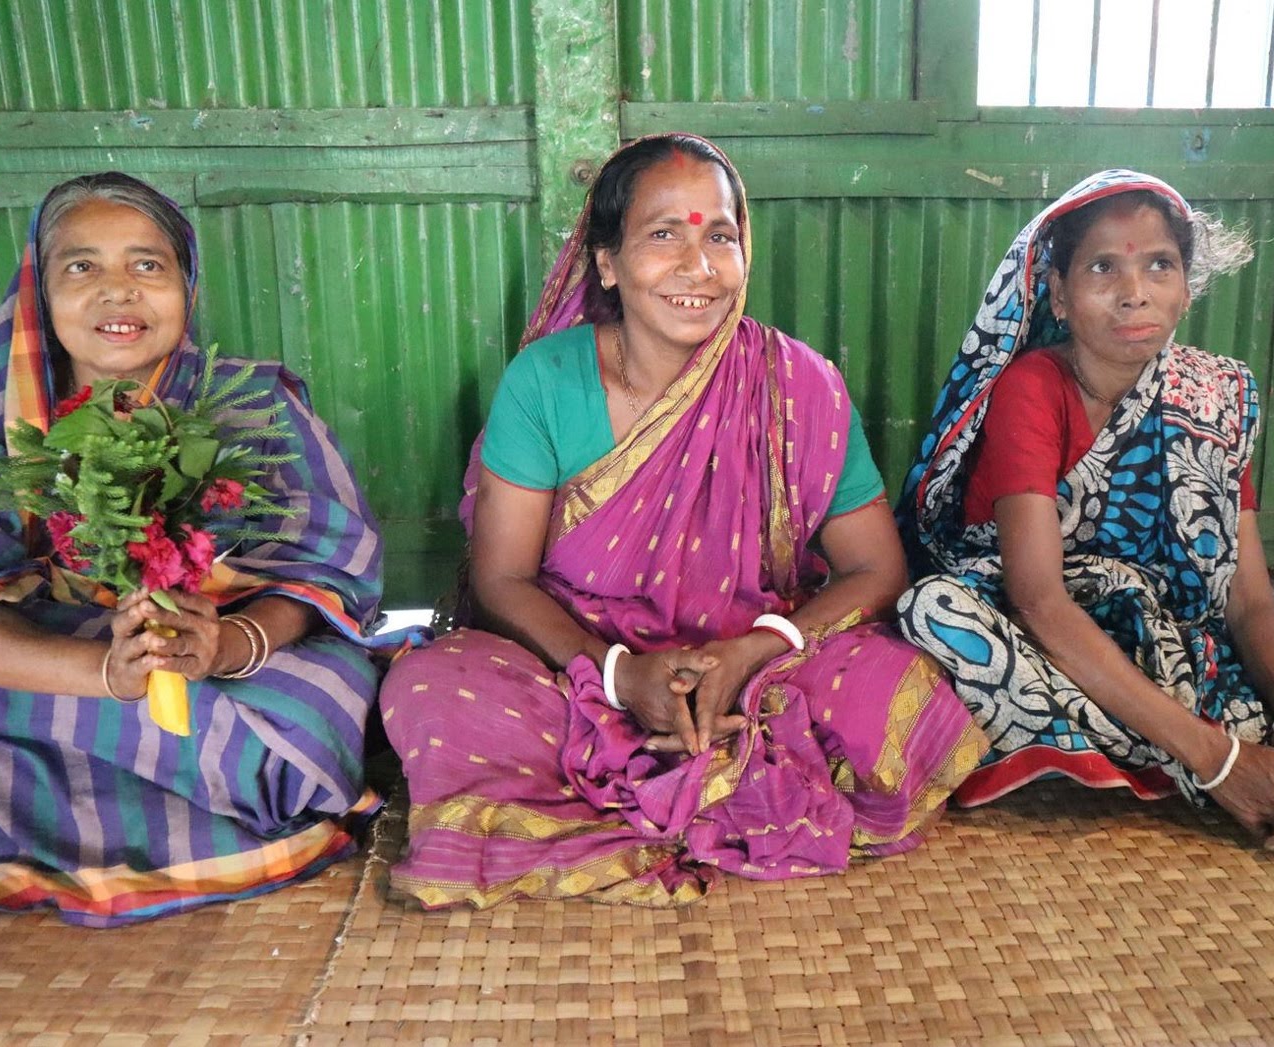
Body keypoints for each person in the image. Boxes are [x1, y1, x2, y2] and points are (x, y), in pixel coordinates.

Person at [380, 134, 985, 908]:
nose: (697, 266)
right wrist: (617, 673)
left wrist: (748, 654)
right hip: (575, 671)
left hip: (758, 672)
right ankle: (714, 797)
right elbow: (502, 577)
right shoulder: (546, 380)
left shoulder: (798, 385)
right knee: (436, 685)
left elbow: (876, 568)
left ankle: (641, 794)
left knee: (894, 688)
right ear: (606, 262)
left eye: (719, 236)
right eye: (663, 234)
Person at [896, 169, 1274, 849]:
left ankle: (1222, 765)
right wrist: (1221, 759)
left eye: (1159, 264)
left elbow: (1246, 604)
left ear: (1187, 286)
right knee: (934, 613)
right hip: (1054, 645)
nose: (1134, 293)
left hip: (1178, 659)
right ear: (1059, 295)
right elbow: (1037, 602)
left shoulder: (1213, 398)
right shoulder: (1033, 386)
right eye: (1102, 268)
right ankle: (1207, 763)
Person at [0, 173, 389, 927]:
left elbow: (324, 569)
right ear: (40, 294)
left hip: (222, 649)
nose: (118, 291)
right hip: (53, 654)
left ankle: (62, 800)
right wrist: (104, 671)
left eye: (147, 265)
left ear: (186, 288)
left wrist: (227, 643)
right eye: (82, 267)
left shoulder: (253, 401)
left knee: (313, 706)